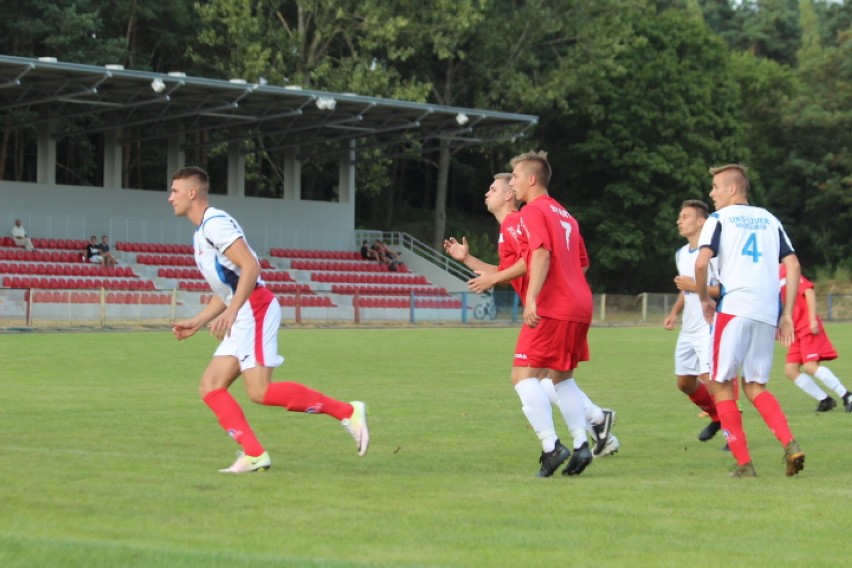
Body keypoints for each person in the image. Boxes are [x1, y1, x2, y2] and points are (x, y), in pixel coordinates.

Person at [167, 166, 369, 473]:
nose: (170, 198)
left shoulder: (215, 225)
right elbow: (227, 289)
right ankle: (254, 453)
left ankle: (348, 411)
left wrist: (234, 311)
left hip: (256, 309)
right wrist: (197, 321)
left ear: (192, 193)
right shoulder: (201, 234)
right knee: (210, 386)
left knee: (259, 391)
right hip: (243, 311)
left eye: (175, 191)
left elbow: (251, 266)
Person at [444, 173, 618, 469]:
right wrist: (469, 261)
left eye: (494, 188)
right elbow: (512, 268)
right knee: (555, 378)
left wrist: (537, 293)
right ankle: (591, 428)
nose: (488, 192)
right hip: (568, 305)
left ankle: (559, 443)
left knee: (526, 378)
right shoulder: (528, 222)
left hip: (548, 309)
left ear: (510, 194)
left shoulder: (515, 222)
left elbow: (534, 258)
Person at [695, 163, 805, 478]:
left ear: (732, 188)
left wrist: (704, 298)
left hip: (733, 307)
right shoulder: (771, 219)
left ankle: (744, 464)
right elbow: (793, 264)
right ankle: (790, 443)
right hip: (767, 310)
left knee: (720, 385)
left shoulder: (718, 219)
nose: (712, 194)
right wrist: (786, 314)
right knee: (756, 385)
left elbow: (702, 263)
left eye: (715, 187)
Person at [663, 200, 723, 442]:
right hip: (688, 327)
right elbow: (685, 289)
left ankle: (734, 435)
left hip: (710, 325)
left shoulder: (713, 254)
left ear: (701, 222)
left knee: (715, 383)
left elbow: (723, 289)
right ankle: (717, 417)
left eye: (685, 216)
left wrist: (695, 286)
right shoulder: (680, 253)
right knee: (685, 383)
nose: (679, 220)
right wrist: (675, 312)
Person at [779, 264, 851, 412]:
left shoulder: (786, 270)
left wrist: (812, 319)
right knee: (790, 369)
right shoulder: (771, 277)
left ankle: (847, 395)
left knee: (810, 366)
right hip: (795, 329)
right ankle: (825, 400)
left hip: (805, 325)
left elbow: (808, 291)